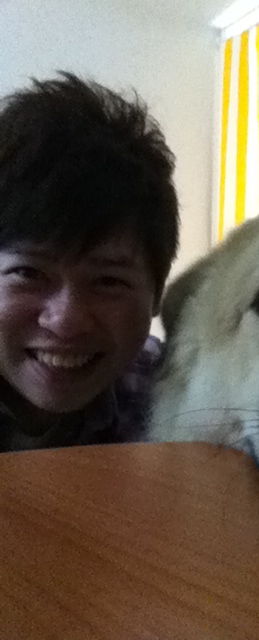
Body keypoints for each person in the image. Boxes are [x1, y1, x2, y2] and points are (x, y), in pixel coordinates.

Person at [0, 71, 179, 451]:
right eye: (28, 272)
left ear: (157, 293)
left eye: (108, 281)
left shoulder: (168, 391)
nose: (66, 321)